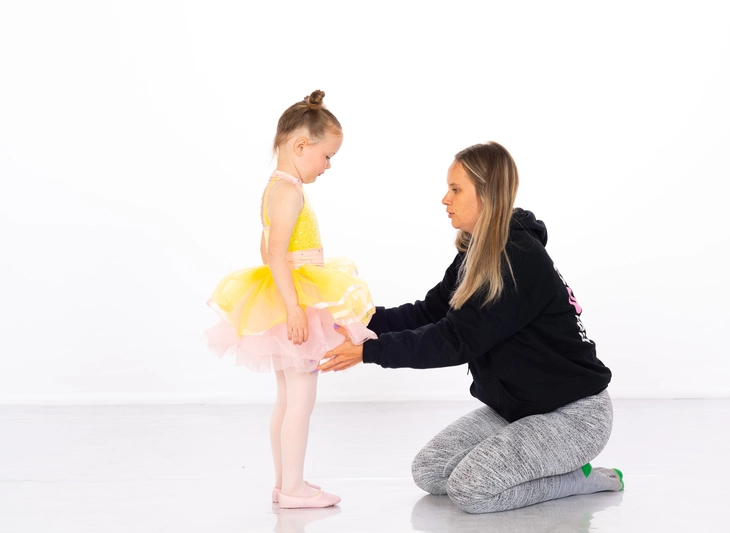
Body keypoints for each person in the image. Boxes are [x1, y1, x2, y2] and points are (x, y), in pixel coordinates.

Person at [318, 141, 624, 514]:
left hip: (573, 415)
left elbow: (456, 339)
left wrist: (370, 351)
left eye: (456, 189)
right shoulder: (477, 251)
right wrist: (357, 319)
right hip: (519, 408)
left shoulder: (517, 259)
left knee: (472, 491)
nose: (445, 199)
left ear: (488, 194)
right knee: (430, 472)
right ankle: (541, 465)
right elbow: (431, 312)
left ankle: (580, 477)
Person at [204, 90, 376, 509]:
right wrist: (294, 308)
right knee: (302, 396)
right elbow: (277, 252)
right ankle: (294, 489)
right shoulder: (290, 191)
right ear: (301, 146)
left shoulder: (277, 187)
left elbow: (266, 250)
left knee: (287, 396)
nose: (329, 165)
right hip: (294, 297)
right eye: (327, 156)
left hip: (289, 292)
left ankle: (287, 483)